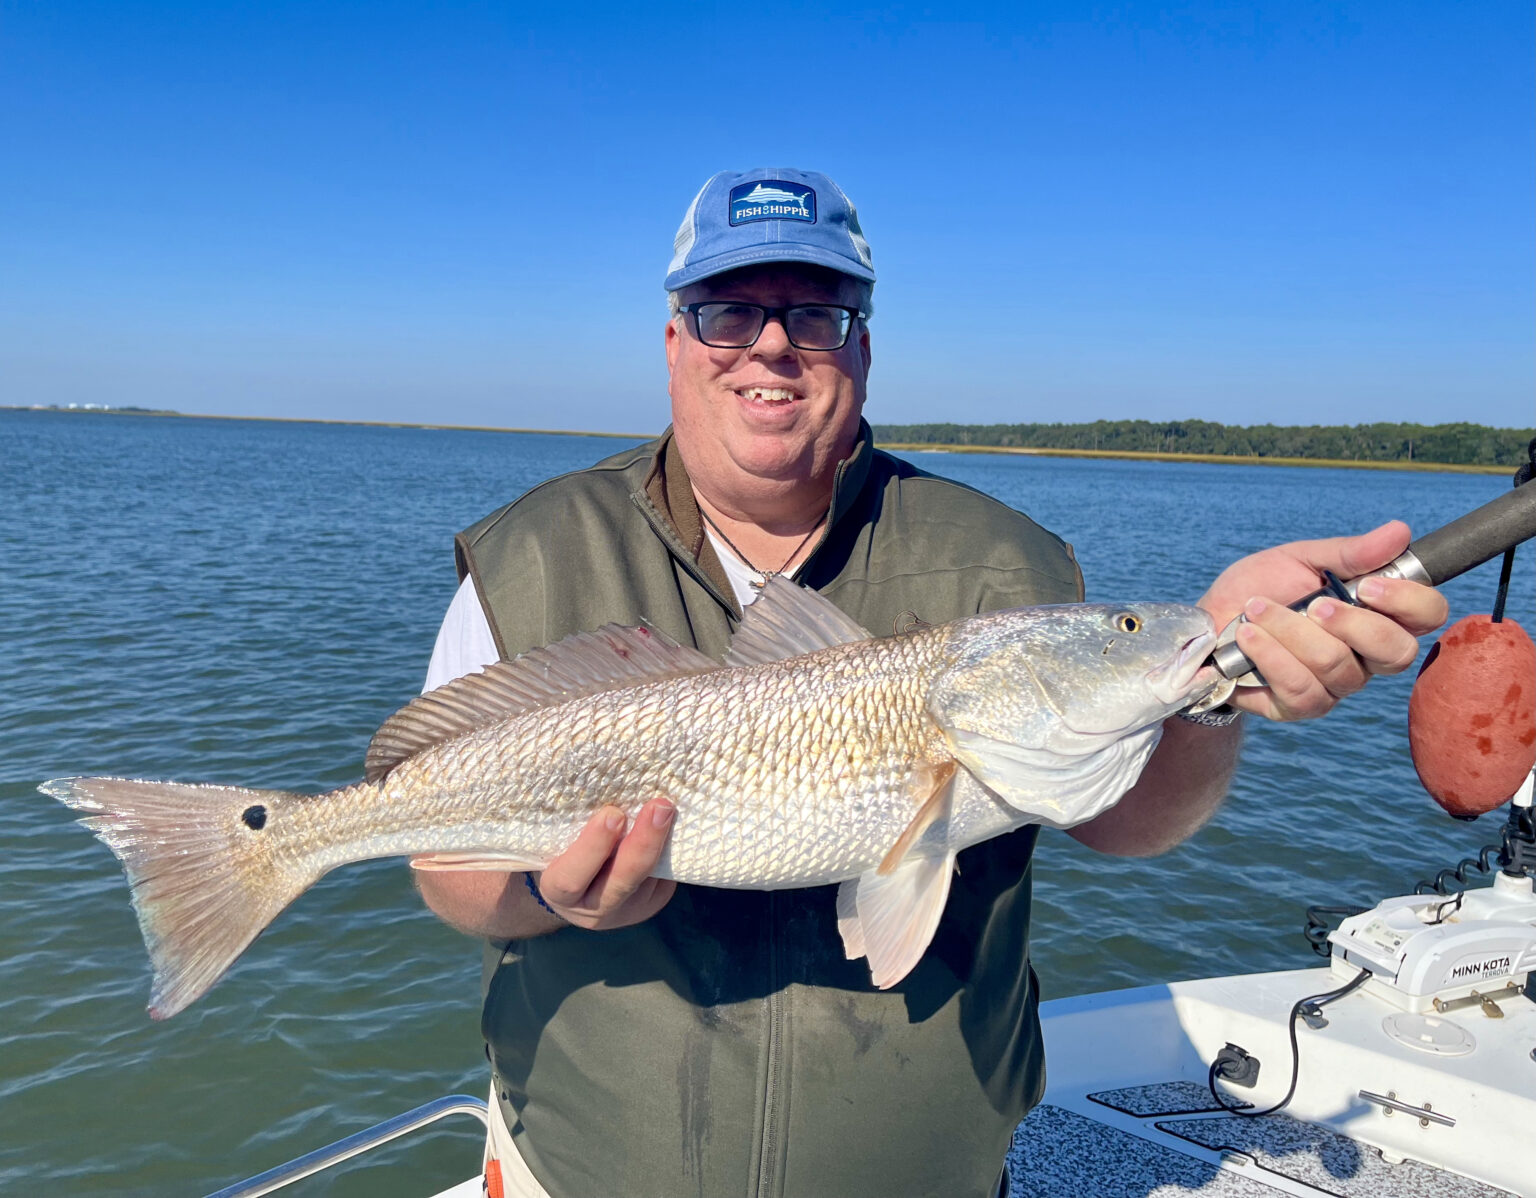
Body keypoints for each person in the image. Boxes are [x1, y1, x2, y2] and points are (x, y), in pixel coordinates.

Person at [415, 167, 1447, 1198]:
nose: (772, 344)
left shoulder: (1007, 563)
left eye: (816, 314)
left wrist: (1218, 677)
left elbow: (1128, 821)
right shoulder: (536, 556)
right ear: (676, 341)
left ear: (862, 344)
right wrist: (552, 895)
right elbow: (438, 856)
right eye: (729, 311)